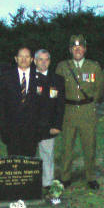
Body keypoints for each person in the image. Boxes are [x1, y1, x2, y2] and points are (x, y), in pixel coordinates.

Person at [55, 35, 104, 190]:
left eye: (80, 47)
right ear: (70, 50)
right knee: (67, 147)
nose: (77, 49)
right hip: (68, 111)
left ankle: (90, 177)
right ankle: (65, 177)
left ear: (85, 49)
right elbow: (56, 88)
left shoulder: (94, 67)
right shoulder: (62, 67)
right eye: (74, 47)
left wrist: (91, 103)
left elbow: (100, 88)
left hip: (87, 111)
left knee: (89, 146)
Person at [0, 47, 43, 157]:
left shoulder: (39, 77)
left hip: (32, 131)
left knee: (29, 165)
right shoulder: (6, 76)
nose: (24, 59)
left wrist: (40, 129)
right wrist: (3, 129)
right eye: (21, 56)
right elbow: (1, 104)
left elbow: (42, 106)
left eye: (27, 57)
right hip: (12, 130)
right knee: (14, 165)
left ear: (32, 59)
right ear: (16, 59)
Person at [34, 49, 65, 190]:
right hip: (31, 125)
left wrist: (57, 125)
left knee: (47, 155)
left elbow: (60, 105)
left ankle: (47, 184)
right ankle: (30, 184)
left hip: (48, 125)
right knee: (29, 156)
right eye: (40, 59)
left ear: (50, 61)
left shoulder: (57, 80)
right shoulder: (27, 77)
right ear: (35, 61)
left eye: (46, 59)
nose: (43, 62)